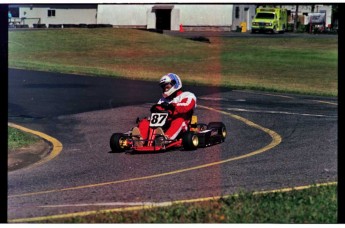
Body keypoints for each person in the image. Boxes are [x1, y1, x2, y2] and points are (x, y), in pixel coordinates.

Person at [132, 73, 197, 144]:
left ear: (174, 84)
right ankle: (140, 139)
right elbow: (159, 108)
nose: (165, 89)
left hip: (183, 125)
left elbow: (187, 106)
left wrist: (172, 106)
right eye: (163, 87)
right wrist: (155, 108)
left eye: (167, 87)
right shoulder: (164, 99)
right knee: (145, 121)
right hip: (164, 125)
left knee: (179, 120)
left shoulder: (187, 95)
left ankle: (165, 139)